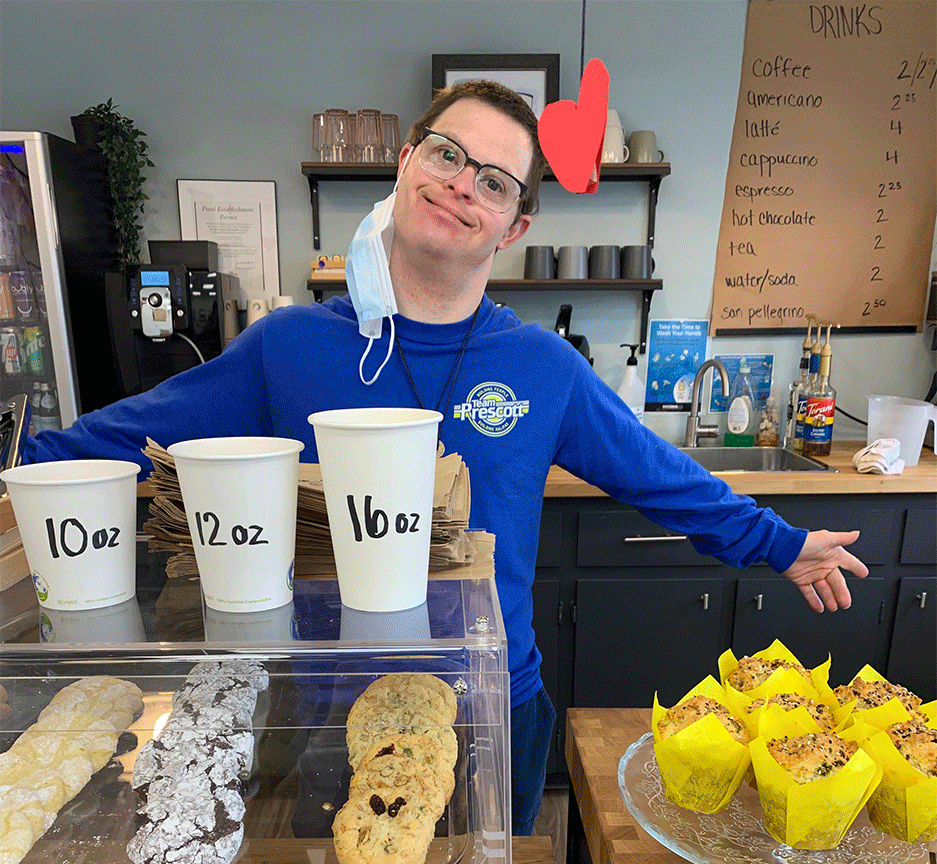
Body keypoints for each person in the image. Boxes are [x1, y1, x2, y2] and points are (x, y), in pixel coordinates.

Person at [21, 80, 868, 834]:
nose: (463, 184)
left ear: (513, 224)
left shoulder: (543, 367)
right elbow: (128, 435)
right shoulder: (286, 348)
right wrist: (16, 460)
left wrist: (780, 543)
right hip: (326, 699)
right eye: (447, 155)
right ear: (404, 163)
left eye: (494, 182)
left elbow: (658, 474)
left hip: (493, 698)